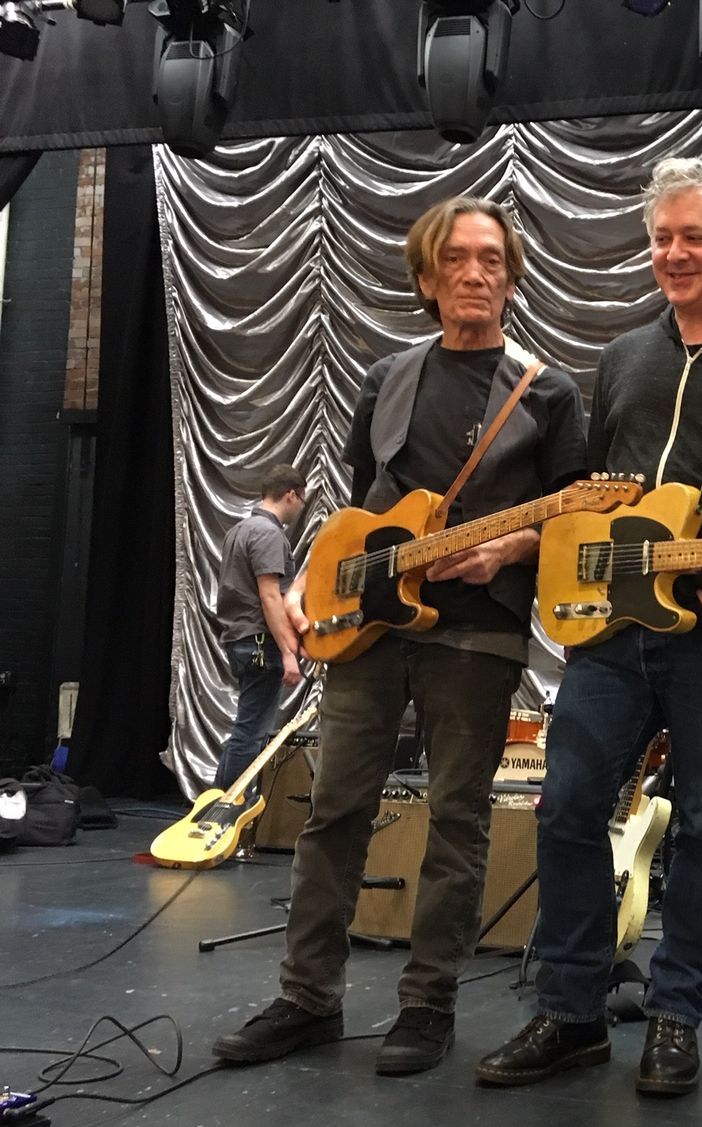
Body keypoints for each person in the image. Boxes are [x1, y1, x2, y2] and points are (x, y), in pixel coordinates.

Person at [475, 157, 702, 1097]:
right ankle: (572, 1012)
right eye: (662, 238)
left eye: (693, 237)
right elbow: (595, 493)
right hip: (609, 633)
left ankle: (677, 1014)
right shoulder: (627, 356)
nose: (673, 253)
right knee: (565, 809)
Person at [213, 195, 588, 1076]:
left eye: (491, 259)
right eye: (455, 258)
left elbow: (573, 519)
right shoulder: (387, 377)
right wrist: (308, 583)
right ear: (426, 277)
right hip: (368, 629)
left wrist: (507, 548)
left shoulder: (550, 391)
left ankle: (428, 1004)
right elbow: (358, 509)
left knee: (457, 819)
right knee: (333, 811)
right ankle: (308, 997)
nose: (474, 274)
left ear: (512, 277)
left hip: (478, 632)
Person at [211, 463, 307, 803]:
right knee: (251, 734)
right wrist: (288, 652)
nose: (301, 508)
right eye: (302, 500)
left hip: (240, 640)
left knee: (244, 728)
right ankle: (228, 811)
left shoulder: (239, 531)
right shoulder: (269, 534)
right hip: (260, 644)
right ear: (291, 495)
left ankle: (215, 807)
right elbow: (270, 597)